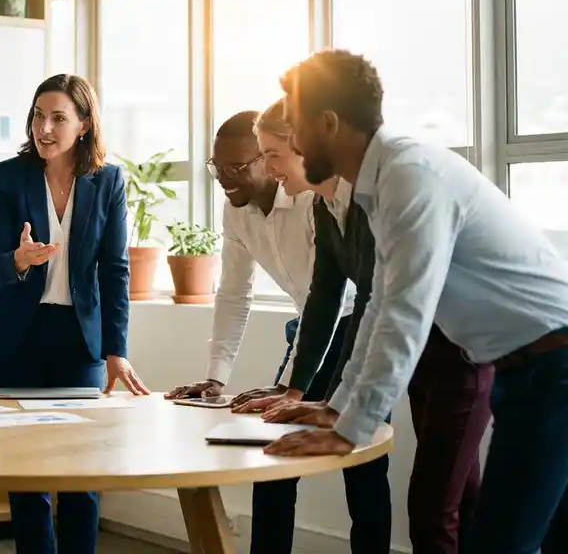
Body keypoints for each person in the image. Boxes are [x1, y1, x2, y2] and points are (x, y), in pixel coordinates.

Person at [265, 49, 568, 554]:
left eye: (296, 128)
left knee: (501, 543)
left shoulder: (410, 176)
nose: (293, 142)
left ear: (329, 123)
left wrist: (353, 430)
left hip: (554, 369)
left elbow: (406, 314)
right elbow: (379, 304)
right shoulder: (384, 185)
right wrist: (339, 407)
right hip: (529, 370)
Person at [244, 103, 492, 554]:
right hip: (417, 350)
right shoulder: (324, 204)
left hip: (458, 348)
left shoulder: (373, 197)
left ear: (304, 146)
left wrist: (340, 405)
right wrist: (296, 391)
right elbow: (323, 298)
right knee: (460, 492)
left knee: (435, 507)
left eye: (273, 153)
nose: (268, 167)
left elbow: (373, 308)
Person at [166, 107, 379, 553]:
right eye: (217, 167)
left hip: (352, 330)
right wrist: (215, 377)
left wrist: (289, 386)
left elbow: (334, 298)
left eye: (237, 167)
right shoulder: (236, 212)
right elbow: (233, 294)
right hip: (310, 331)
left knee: (364, 470)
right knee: (273, 465)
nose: (224, 178)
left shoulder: (308, 197)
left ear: (269, 158)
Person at [0, 74, 149, 554]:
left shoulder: (107, 180)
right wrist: (18, 261)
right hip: (15, 338)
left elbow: (115, 271)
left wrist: (117, 351)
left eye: (57, 118)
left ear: (85, 124)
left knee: (81, 474)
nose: (43, 128)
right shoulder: (8, 176)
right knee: (26, 477)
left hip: (79, 339)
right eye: (37, 115)